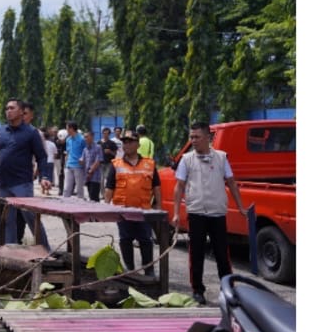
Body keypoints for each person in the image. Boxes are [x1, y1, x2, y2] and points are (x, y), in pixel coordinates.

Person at [173, 121, 249, 305]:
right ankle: (197, 290)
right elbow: (179, 186)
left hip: (217, 213)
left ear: (209, 137)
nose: (193, 141)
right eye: (191, 137)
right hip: (197, 212)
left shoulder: (222, 158)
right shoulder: (186, 159)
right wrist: (176, 212)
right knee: (196, 253)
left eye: (197, 137)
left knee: (222, 253)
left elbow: (231, 182)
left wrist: (240, 207)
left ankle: (227, 289)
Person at [0, 98, 53, 248]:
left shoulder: (31, 132)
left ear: (21, 112)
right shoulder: (0, 132)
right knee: (8, 220)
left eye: (12, 108)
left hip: (22, 184)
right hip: (4, 184)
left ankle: (46, 250)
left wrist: (44, 177)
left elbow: (41, 156)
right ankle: (11, 253)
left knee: (31, 218)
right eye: (7, 108)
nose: (8, 111)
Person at [103, 130, 162, 274]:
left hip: (143, 211)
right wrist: (105, 208)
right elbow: (109, 187)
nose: (126, 145)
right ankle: (130, 270)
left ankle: (148, 270)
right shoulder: (116, 164)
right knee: (125, 240)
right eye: (124, 142)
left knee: (145, 240)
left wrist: (159, 207)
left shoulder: (149, 164)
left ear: (137, 144)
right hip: (123, 211)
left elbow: (156, 187)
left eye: (130, 142)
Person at [62, 122, 88, 198]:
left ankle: (80, 205)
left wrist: (83, 160)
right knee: (66, 188)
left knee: (79, 188)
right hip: (69, 166)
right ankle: (65, 204)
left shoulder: (82, 139)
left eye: (67, 128)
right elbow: (68, 152)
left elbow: (86, 151)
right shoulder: (68, 140)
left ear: (72, 129)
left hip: (78, 166)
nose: (66, 130)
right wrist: (65, 163)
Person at [81, 129, 104, 203]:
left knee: (94, 197)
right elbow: (83, 161)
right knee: (90, 197)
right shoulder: (85, 149)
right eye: (84, 137)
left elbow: (98, 161)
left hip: (95, 177)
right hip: (87, 177)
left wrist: (90, 172)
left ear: (92, 137)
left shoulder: (98, 147)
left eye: (87, 136)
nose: (85, 139)